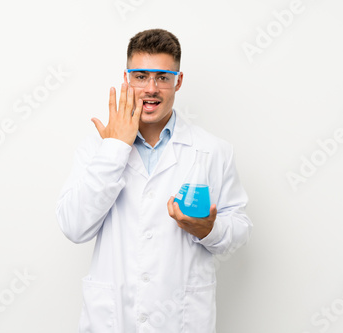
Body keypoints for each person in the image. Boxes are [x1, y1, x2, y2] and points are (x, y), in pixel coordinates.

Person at [56, 28, 252, 332]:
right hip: (113, 318)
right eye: (141, 76)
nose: (151, 88)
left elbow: (239, 229)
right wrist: (115, 149)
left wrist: (209, 229)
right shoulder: (97, 147)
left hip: (181, 318)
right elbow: (74, 226)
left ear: (178, 81)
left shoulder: (213, 151)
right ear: (126, 79)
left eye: (162, 77)